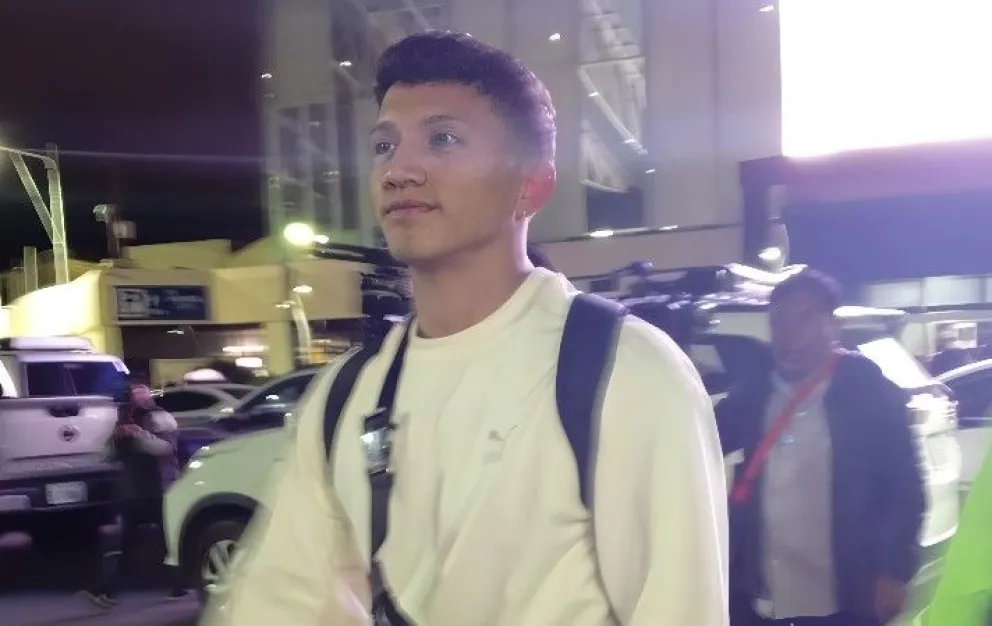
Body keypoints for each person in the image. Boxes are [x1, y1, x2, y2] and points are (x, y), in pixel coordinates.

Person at [211, 31, 728, 626]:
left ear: (530, 184)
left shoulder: (626, 374)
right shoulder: (344, 398)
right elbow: (280, 606)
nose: (398, 170)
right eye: (384, 146)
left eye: (443, 139)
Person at [717, 269, 925, 626]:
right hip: (763, 600)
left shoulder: (866, 394)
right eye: (778, 320)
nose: (788, 333)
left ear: (833, 326)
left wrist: (893, 571)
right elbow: (703, 444)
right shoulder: (753, 396)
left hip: (843, 599)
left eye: (804, 318)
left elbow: (903, 488)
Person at [82, 377, 187, 608]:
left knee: (168, 540)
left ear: (149, 394)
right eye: (134, 393)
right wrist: (116, 439)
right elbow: (106, 454)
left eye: (142, 392)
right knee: (127, 543)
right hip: (133, 492)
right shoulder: (123, 419)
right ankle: (108, 591)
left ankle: (179, 585)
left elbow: (166, 449)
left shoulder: (160, 417)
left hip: (159, 489)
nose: (139, 397)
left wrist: (138, 434)